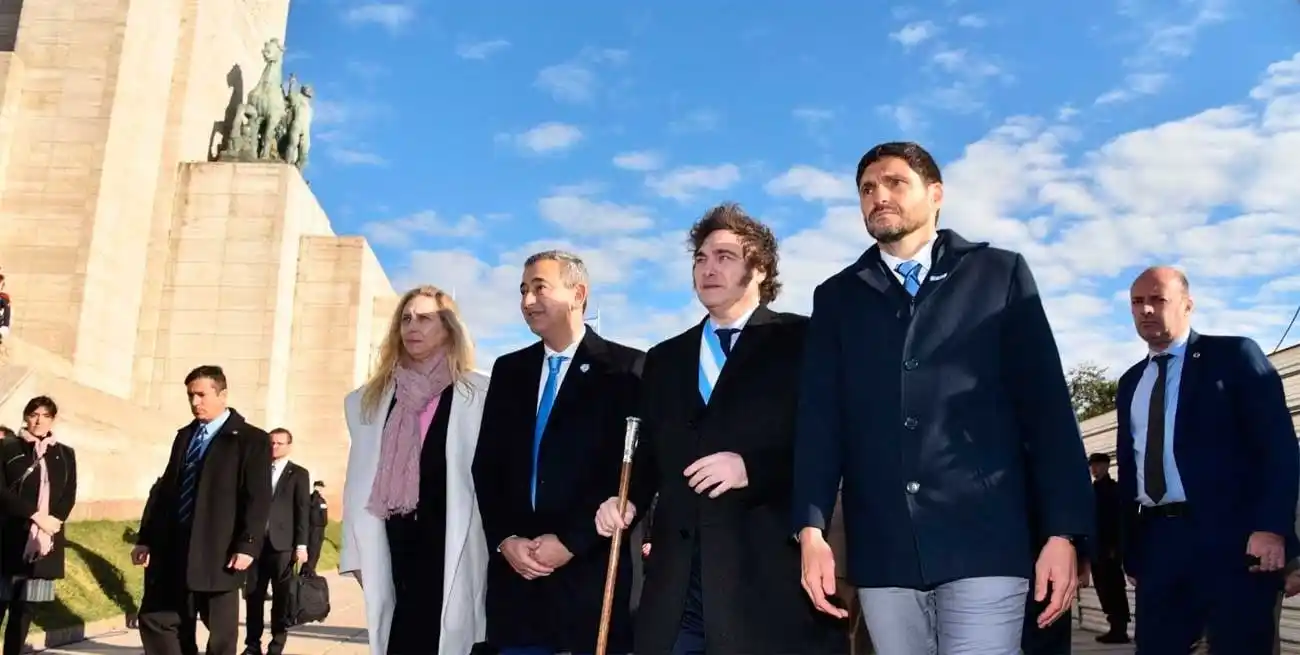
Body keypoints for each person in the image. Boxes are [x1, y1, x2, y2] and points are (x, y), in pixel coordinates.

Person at [793, 141, 1094, 654]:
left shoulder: (1000, 275)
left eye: (894, 183)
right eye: (867, 189)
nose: (878, 196)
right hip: (883, 548)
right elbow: (821, 423)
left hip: (986, 540)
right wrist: (811, 529)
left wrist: (1063, 533)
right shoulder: (837, 298)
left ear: (936, 194)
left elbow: (1046, 413)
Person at [593, 205, 847, 655]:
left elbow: (830, 440)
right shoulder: (665, 358)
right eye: (700, 258)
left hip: (767, 582)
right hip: (676, 588)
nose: (708, 269)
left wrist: (754, 467)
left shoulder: (803, 341)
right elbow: (649, 455)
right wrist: (625, 500)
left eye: (725, 257)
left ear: (760, 268)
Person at [1116, 266, 1298, 653]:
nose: (1146, 310)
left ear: (1187, 304)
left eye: (1157, 300)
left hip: (1234, 542)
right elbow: (1130, 468)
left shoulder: (1233, 357)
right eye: (1137, 302)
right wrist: (1131, 549)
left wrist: (1273, 528)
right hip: (1159, 544)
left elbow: (1278, 448)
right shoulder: (1131, 382)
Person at [472, 250, 643, 655]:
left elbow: (636, 472)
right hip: (518, 582)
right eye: (523, 290)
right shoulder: (509, 371)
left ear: (577, 293)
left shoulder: (627, 370)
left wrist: (570, 541)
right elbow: (487, 467)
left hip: (589, 579)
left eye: (539, 288)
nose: (527, 301)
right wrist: (505, 540)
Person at [340, 285, 490, 655]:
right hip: (392, 538)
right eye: (406, 318)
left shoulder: (481, 393)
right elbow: (356, 481)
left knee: (449, 638)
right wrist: (355, 556)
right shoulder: (367, 400)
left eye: (425, 318)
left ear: (450, 327)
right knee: (399, 638)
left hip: (453, 540)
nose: (412, 326)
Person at [134, 365, 273, 655]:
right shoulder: (185, 436)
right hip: (175, 548)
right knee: (157, 619)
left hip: (219, 552)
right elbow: (167, 491)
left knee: (220, 635)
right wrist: (146, 538)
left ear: (222, 394)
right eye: (190, 396)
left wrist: (248, 545)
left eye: (201, 394)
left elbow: (257, 498)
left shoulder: (250, 439)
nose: (195, 402)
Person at [0, 396, 76, 655]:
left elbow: (69, 492)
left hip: (44, 541)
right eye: (34, 414)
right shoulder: (7, 448)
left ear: (53, 419)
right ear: (25, 416)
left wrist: (55, 518)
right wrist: (34, 514)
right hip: (10, 535)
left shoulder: (65, 454)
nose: (38, 420)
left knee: (25, 609)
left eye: (45, 415)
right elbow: (2, 491)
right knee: (1, 599)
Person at [243, 428, 310, 655]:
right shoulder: (256, 470)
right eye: (271, 443)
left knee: (281, 599)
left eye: (280, 443)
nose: (274, 447)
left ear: (289, 446)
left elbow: (302, 511)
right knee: (253, 596)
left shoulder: (298, 474)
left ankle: (276, 645)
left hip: (283, 546)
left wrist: (301, 545)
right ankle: (252, 645)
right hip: (255, 545)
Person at [1085, 452, 1129, 644]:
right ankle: (1114, 626)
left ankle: (1120, 629)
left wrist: (1116, 547)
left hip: (1110, 548)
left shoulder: (1113, 490)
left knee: (1114, 588)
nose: (1094, 469)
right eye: (1092, 466)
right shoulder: (1092, 490)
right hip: (1097, 547)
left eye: (1097, 465)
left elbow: (1119, 521)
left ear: (1106, 466)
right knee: (1103, 587)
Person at [304, 480, 327, 576]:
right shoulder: (321, 501)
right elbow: (324, 518)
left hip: (308, 530)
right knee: (315, 553)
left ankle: (305, 572)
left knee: (309, 552)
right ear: (319, 488)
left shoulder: (307, 499)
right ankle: (309, 573)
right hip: (318, 530)